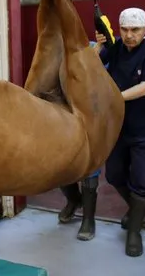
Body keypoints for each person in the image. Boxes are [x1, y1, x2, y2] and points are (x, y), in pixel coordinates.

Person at [93, 7, 145, 257]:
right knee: (114, 175)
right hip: (117, 127)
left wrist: (113, 98)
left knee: (141, 179)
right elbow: (92, 66)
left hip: (144, 130)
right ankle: (138, 209)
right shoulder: (115, 48)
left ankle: (134, 231)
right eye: (124, 29)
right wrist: (99, 45)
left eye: (135, 30)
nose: (129, 35)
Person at [57, 41, 102, 241]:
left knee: (90, 167)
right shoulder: (56, 51)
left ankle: (88, 220)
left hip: (94, 117)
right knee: (61, 165)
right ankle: (74, 200)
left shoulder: (98, 48)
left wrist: (95, 52)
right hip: (65, 118)